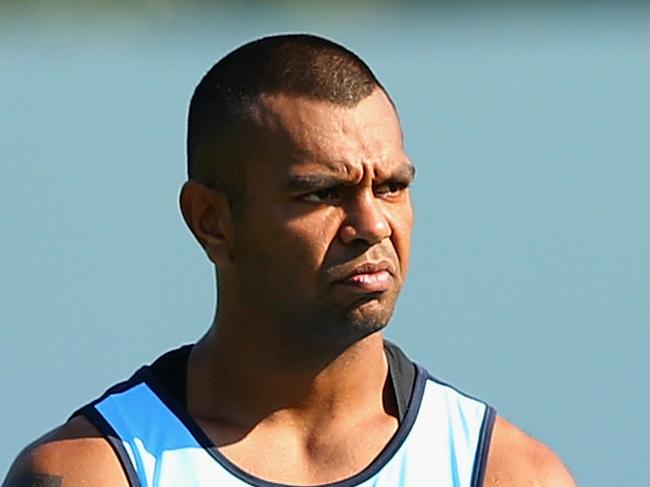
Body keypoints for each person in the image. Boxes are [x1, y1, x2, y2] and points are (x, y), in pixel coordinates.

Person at [3, 34, 577, 487]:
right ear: (211, 221)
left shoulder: (508, 473)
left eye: (391, 188)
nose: (372, 225)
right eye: (320, 195)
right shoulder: (93, 471)